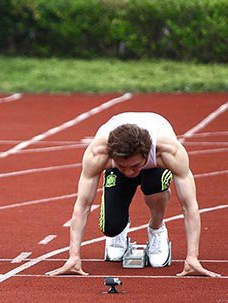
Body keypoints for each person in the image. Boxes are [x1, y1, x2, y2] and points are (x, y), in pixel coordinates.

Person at [47, 112, 220, 278]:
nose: (130, 172)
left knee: (154, 184)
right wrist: (73, 256)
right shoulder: (97, 153)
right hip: (122, 163)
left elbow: (189, 206)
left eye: (134, 166)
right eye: (123, 166)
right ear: (112, 155)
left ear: (145, 154)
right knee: (112, 227)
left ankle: (157, 228)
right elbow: (82, 205)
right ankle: (120, 229)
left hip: (155, 169)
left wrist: (192, 258)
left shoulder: (169, 151)